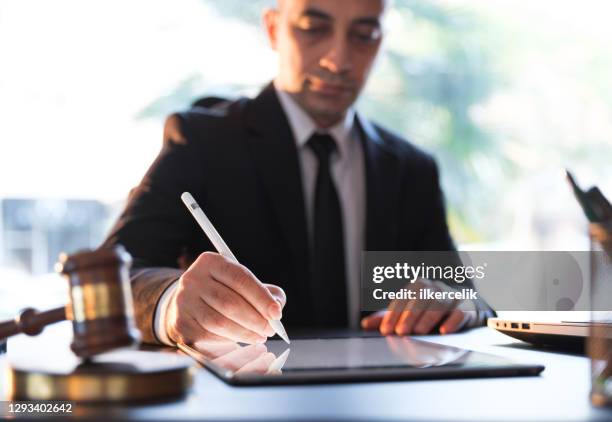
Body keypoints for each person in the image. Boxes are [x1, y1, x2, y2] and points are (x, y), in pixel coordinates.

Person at [103, 0, 492, 346]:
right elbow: (111, 275)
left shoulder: (411, 170)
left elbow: (465, 294)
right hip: (243, 399)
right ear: (273, 29)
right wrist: (172, 304)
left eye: (364, 35)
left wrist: (456, 301)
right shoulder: (203, 141)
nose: (337, 60)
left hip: (381, 394)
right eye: (313, 29)